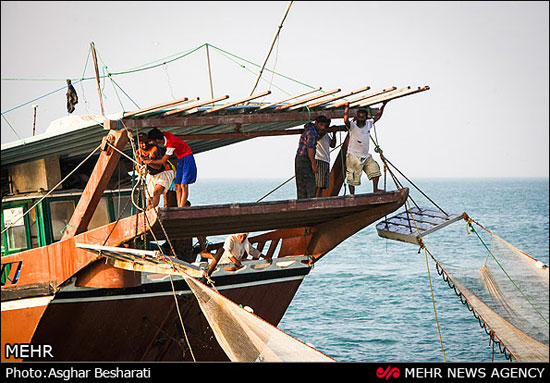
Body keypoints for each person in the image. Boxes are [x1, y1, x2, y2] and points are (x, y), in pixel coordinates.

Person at [343, 102, 388, 194]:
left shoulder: (368, 124)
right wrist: (346, 108)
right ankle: (352, 195)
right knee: (352, 176)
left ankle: (375, 189)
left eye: (363, 117)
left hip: (365, 155)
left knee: (375, 170)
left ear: (366, 118)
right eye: (359, 117)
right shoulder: (353, 125)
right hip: (353, 155)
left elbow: (377, 117)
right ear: (356, 117)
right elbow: (345, 121)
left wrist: (383, 105)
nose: (361, 119)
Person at [147, 128, 197, 207]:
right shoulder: (164, 135)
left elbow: (163, 161)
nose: (151, 142)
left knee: (184, 185)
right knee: (177, 186)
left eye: (151, 140)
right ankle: (179, 205)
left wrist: (149, 162)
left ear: (157, 140)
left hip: (187, 158)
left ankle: (181, 207)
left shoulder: (171, 144)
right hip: (180, 158)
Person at [135, 133, 175, 209]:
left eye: (146, 142)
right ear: (138, 144)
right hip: (152, 176)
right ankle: (149, 211)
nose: (144, 145)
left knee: (156, 192)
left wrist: (147, 162)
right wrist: (140, 167)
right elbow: (138, 169)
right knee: (149, 199)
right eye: (141, 143)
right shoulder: (138, 152)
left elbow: (158, 166)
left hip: (163, 173)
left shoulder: (155, 149)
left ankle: (151, 210)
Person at [295, 115, 331, 199]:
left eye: (324, 126)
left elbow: (319, 137)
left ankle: (302, 200)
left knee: (301, 183)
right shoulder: (312, 133)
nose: (323, 127)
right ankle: (310, 201)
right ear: (316, 123)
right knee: (310, 182)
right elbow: (310, 148)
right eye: (321, 125)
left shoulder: (310, 129)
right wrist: (313, 164)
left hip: (299, 158)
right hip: (305, 158)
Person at [314, 121, 337, 196]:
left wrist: (334, 134)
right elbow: (319, 136)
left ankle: (319, 199)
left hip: (325, 160)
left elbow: (332, 145)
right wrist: (328, 129)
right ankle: (315, 199)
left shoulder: (326, 134)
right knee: (318, 184)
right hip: (319, 159)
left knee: (323, 184)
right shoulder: (317, 132)